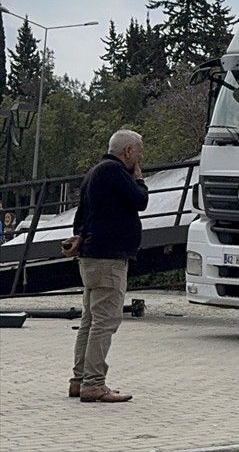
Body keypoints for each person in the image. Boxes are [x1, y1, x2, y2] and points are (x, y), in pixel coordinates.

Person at [63, 129, 148, 403]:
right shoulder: (116, 172)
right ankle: (94, 383)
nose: (140, 156)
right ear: (127, 152)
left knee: (90, 321)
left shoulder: (94, 173)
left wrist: (80, 237)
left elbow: (80, 216)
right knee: (105, 321)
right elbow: (140, 201)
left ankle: (79, 380)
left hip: (91, 255)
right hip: (109, 258)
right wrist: (140, 181)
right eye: (139, 150)